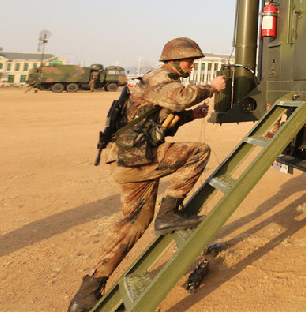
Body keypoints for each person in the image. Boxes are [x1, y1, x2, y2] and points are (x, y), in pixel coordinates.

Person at [67, 37, 226, 312]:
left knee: (132, 225)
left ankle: (87, 292)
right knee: (199, 151)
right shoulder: (159, 79)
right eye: (189, 60)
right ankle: (169, 213)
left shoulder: (159, 82)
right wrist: (212, 88)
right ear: (174, 61)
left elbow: (158, 121)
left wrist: (192, 116)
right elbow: (181, 97)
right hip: (138, 160)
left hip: (132, 161)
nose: (192, 65)